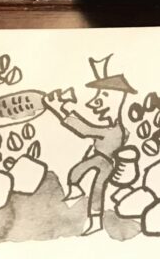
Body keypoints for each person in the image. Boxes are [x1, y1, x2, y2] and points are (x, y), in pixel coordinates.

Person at [44, 55, 137, 236]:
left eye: (103, 95)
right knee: (77, 174)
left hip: (104, 162)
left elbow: (84, 129)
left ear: (116, 98)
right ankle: (76, 192)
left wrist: (58, 109)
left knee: (96, 190)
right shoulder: (116, 127)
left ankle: (94, 220)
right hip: (98, 159)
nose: (93, 101)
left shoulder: (111, 130)